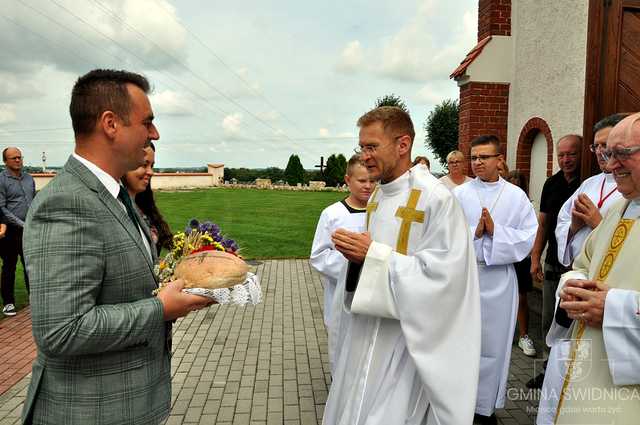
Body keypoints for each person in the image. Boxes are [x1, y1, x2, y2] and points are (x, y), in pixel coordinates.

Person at [21, 69, 212, 425]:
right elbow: (61, 330)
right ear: (111, 124)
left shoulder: (117, 195)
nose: (154, 134)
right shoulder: (67, 204)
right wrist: (160, 308)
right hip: (88, 411)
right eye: (147, 122)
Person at [324, 106, 481, 425]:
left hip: (409, 343)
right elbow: (372, 263)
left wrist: (373, 256)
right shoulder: (379, 196)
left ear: (402, 144)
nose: (364, 156)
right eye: (362, 147)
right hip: (368, 333)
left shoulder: (436, 199)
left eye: (371, 147)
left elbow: (445, 279)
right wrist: (356, 261)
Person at [535, 113, 627, 424]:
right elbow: (563, 227)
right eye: (598, 148)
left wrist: (596, 223)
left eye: (612, 148)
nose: (605, 156)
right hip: (581, 296)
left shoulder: (628, 195)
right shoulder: (591, 184)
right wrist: (574, 226)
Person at [453, 136, 537, 424]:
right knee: (462, 343)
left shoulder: (516, 196)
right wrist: (475, 234)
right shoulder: (461, 194)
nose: (477, 162)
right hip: (466, 278)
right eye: (473, 157)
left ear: (499, 160)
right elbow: (444, 234)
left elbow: (528, 236)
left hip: (500, 279)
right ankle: (458, 403)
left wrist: (496, 232)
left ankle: (485, 408)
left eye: (484, 157)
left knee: (494, 346)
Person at [309, 154, 375, 372]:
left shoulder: (382, 211)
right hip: (343, 295)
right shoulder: (333, 214)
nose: (368, 186)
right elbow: (319, 256)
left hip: (376, 295)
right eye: (362, 180)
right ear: (348, 180)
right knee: (343, 349)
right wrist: (354, 261)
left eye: (373, 180)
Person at [527, 134, 582, 388]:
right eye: (561, 155)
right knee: (549, 319)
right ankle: (548, 371)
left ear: (582, 153)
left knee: (572, 325)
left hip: (578, 267)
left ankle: (570, 377)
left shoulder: (588, 182)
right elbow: (544, 223)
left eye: (571, 154)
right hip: (553, 264)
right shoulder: (552, 183)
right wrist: (535, 257)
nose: (566, 159)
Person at [0, 147, 35, 317]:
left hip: (28, 230)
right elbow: (1, 207)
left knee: (30, 266)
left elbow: (34, 201)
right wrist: (21, 223)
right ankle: (8, 303)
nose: (18, 160)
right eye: (14, 158)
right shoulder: (1, 180)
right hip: (10, 231)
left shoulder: (29, 178)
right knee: (9, 267)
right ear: (5, 161)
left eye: (20, 157)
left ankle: (33, 299)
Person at [123, 142, 172, 256]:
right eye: (144, 164)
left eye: (152, 166)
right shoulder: (116, 208)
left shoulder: (145, 207)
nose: (151, 172)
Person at [507, 170, 537, 357]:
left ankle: (524, 335)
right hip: (501, 257)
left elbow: (529, 233)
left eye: (518, 186)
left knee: (521, 298)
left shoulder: (526, 205)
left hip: (520, 258)